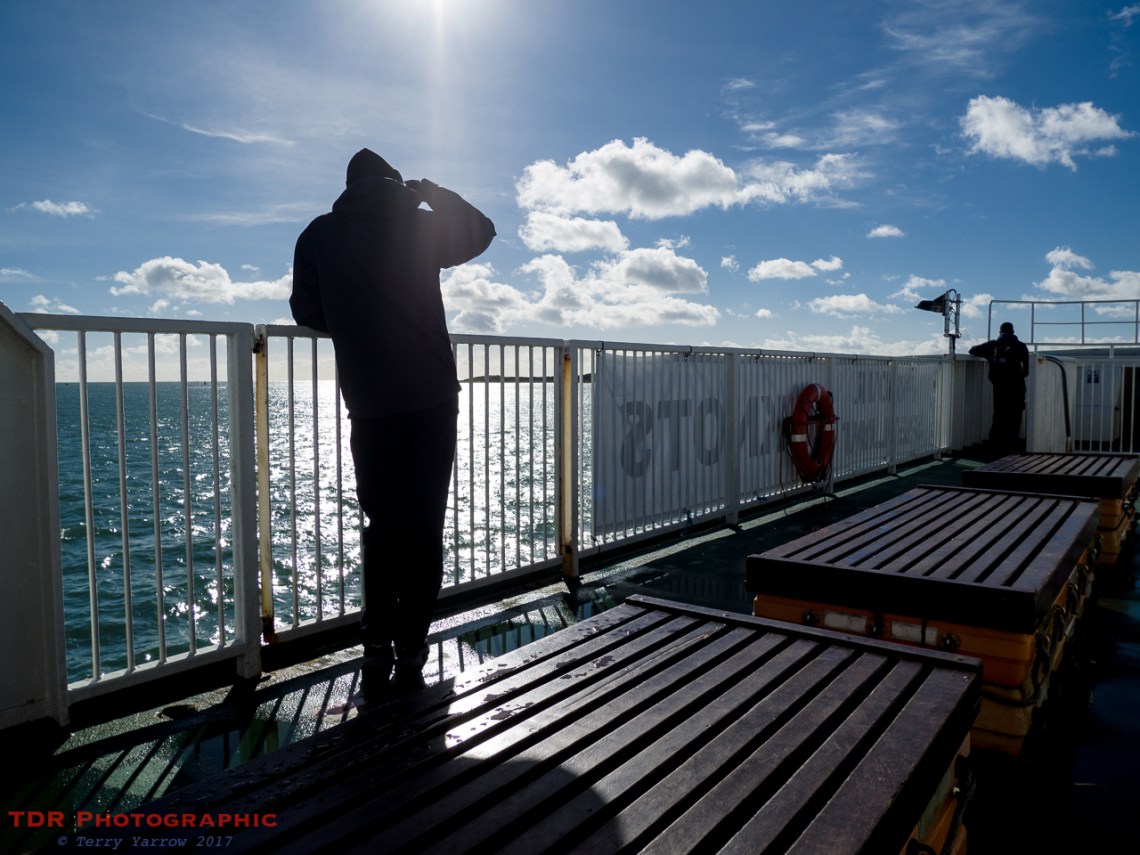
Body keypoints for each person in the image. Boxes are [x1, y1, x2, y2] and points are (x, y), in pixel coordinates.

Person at [290, 148, 495, 697]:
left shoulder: (319, 234)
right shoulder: (419, 226)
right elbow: (482, 231)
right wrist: (430, 190)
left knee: (382, 527)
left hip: (370, 399)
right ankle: (412, 651)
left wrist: (356, 321)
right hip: (431, 396)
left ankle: (376, 646)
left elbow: (304, 311)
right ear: (393, 183)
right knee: (424, 526)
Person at [968, 321, 1030, 453]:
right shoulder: (1021, 346)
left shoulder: (993, 345)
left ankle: (996, 446)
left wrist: (989, 356)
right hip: (1017, 386)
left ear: (1000, 332)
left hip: (1000, 386)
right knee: (1015, 415)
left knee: (999, 414)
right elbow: (1026, 371)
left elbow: (972, 350)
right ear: (1013, 332)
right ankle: (1012, 446)